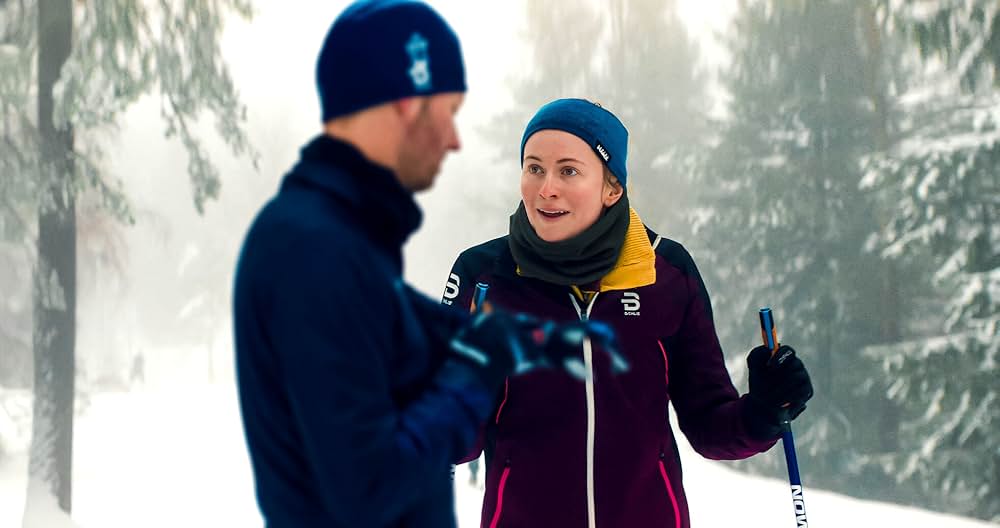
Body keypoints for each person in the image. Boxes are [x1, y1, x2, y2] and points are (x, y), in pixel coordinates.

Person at [232, 5, 619, 527]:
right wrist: (469, 376)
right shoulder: (314, 249)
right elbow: (367, 487)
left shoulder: (343, 237)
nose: (454, 139)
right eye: (444, 112)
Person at [442, 98, 814, 528]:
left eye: (568, 170)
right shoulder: (484, 276)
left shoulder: (666, 274)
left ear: (612, 187)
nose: (546, 188)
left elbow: (712, 426)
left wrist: (765, 411)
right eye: (534, 167)